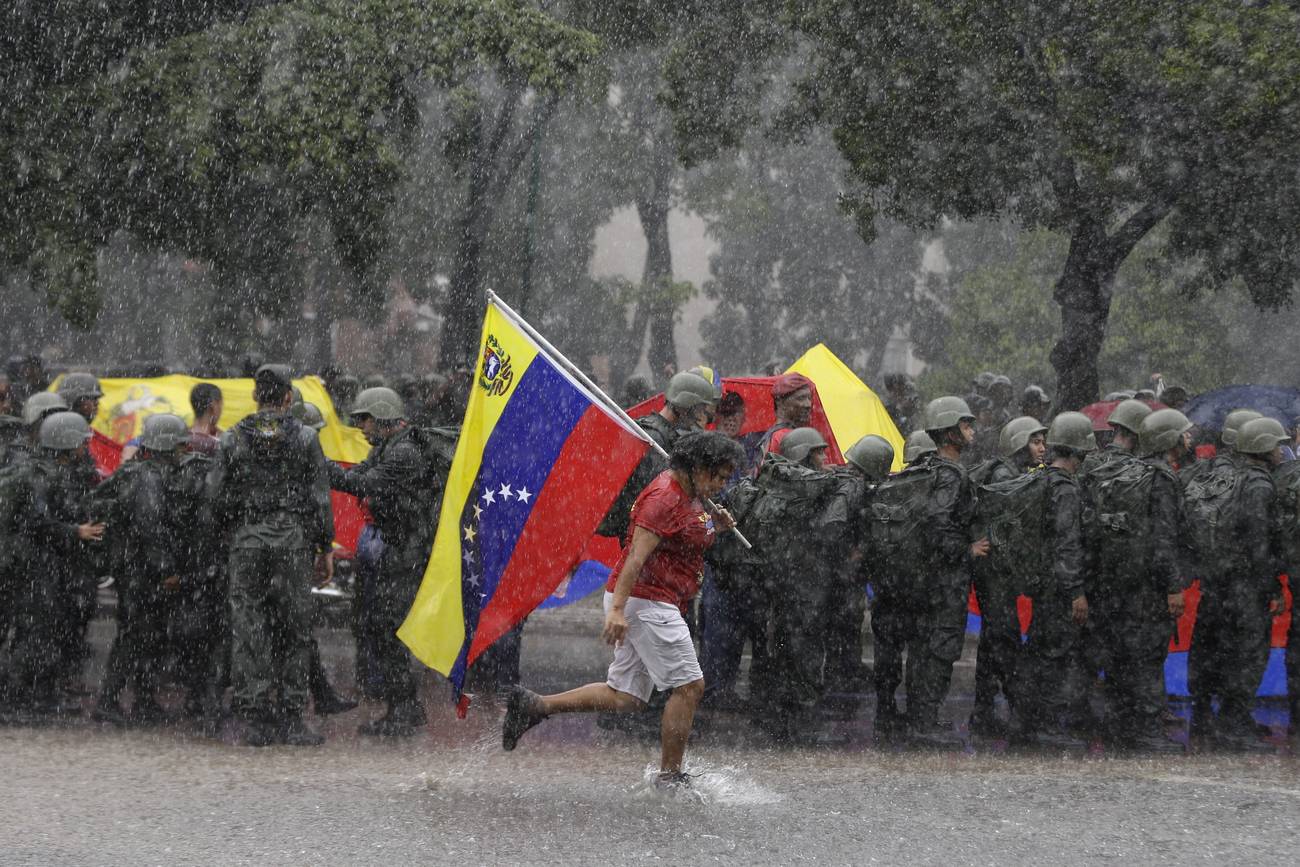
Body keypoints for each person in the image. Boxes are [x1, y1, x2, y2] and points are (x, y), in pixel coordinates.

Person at [501, 432, 742, 789]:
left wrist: (715, 527)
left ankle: (536, 705)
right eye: (717, 476)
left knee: (627, 697)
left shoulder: (691, 495)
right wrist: (617, 611)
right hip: (646, 601)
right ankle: (671, 777)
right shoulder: (663, 499)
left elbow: (686, 536)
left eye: (725, 478)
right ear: (695, 468)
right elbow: (634, 558)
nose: (721, 485)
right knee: (690, 686)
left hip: (656, 599)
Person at [206, 364, 334, 747]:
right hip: (293, 542)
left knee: (250, 627)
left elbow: (214, 496)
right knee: (296, 629)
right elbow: (320, 497)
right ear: (288, 397)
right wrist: (324, 546)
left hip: (247, 542)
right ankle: (292, 717)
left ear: (255, 396)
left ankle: (255, 716)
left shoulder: (232, 438)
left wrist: (234, 527)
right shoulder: (306, 437)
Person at [327, 386, 443, 736]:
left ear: (380, 416)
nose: (360, 427)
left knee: (390, 629)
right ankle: (402, 706)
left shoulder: (404, 452)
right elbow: (360, 475)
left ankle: (405, 709)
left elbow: (362, 483)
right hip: (396, 550)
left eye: (364, 420)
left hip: (407, 554)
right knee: (380, 628)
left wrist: (318, 464)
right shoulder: (390, 447)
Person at [1187, 416, 1287, 751]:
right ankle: (1235, 721)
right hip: (1245, 584)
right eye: (1276, 444)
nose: (1280, 450)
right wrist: (1271, 585)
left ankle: (1207, 715)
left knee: (1215, 647)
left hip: (1218, 580)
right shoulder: (1258, 484)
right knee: (1247, 653)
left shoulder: (1224, 476)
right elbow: (1260, 543)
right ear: (1262, 447)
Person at [1, 412, 105, 721]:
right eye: (79, 442)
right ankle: (18, 699)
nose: (83, 447)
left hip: (32, 563)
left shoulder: (39, 470)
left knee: (34, 631)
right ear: (66, 444)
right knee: (35, 632)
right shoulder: (42, 476)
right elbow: (36, 522)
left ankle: (27, 697)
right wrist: (77, 532)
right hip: (31, 565)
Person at [90, 414, 191, 727]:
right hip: (142, 571)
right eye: (179, 445)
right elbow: (150, 527)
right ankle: (109, 702)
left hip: (135, 567)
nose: (184, 450)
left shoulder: (136, 472)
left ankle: (144, 700)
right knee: (136, 637)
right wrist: (166, 569)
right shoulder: (148, 477)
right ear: (168, 447)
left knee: (148, 636)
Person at [1010, 412, 1095, 750]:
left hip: (1041, 582)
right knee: (1055, 656)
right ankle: (1043, 725)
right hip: (1060, 587)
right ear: (1078, 451)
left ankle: (1025, 720)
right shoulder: (1066, 490)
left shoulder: (1038, 480)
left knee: (1040, 652)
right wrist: (1076, 592)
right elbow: (1067, 542)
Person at [967, 415, 1047, 736]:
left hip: (998, 575)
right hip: (995, 576)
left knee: (992, 642)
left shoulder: (1014, 473)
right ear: (1019, 444)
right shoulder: (1005, 476)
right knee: (1006, 640)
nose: (1042, 448)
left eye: (1043, 442)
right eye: (1036, 442)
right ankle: (1020, 711)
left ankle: (983, 711)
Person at [598, 371, 717, 541]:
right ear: (685, 405)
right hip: (639, 534)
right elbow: (659, 497)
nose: (699, 416)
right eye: (697, 408)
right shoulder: (655, 438)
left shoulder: (660, 433)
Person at [756, 373, 815, 460]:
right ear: (781, 402)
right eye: (801, 398)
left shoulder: (773, 435)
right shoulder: (784, 438)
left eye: (809, 398)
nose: (808, 405)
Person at [188, 382, 224, 456]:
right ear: (213, 406)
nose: (221, 410)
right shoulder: (221, 443)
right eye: (220, 405)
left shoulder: (181, 439)